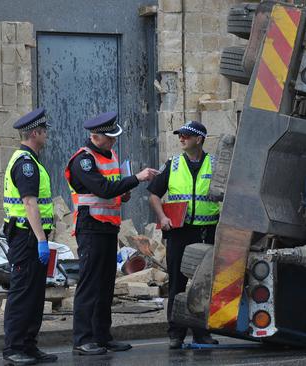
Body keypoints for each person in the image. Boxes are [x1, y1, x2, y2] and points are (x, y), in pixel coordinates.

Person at [65, 112, 158, 355]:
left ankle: (102, 336)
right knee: (89, 284)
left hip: (107, 226)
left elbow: (113, 188)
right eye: (109, 138)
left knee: (106, 284)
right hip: (90, 227)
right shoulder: (83, 160)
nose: (114, 142)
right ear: (95, 136)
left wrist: (123, 193)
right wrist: (135, 179)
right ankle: (82, 339)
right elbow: (103, 189)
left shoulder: (111, 155)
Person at [147, 121, 220, 349]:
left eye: (186, 136)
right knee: (178, 283)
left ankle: (201, 332)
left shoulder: (215, 165)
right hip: (179, 233)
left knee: (203, 285)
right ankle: (176, 333)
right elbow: (154, 195)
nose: (181, 139)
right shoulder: (174, 164)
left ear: (199, 139)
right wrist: (162, 217)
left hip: (207, 232)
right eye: (180, 136)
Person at [2, 108, 58, 365]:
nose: (46, 136)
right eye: (44, 132)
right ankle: (14, 348)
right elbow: (29, 203)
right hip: (27, 237)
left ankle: (28, 345)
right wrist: (42, 240)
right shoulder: (26, 164)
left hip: (30, 236)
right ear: (35, 133)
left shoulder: (30, 160)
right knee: (23, 293)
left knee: (35, 295)